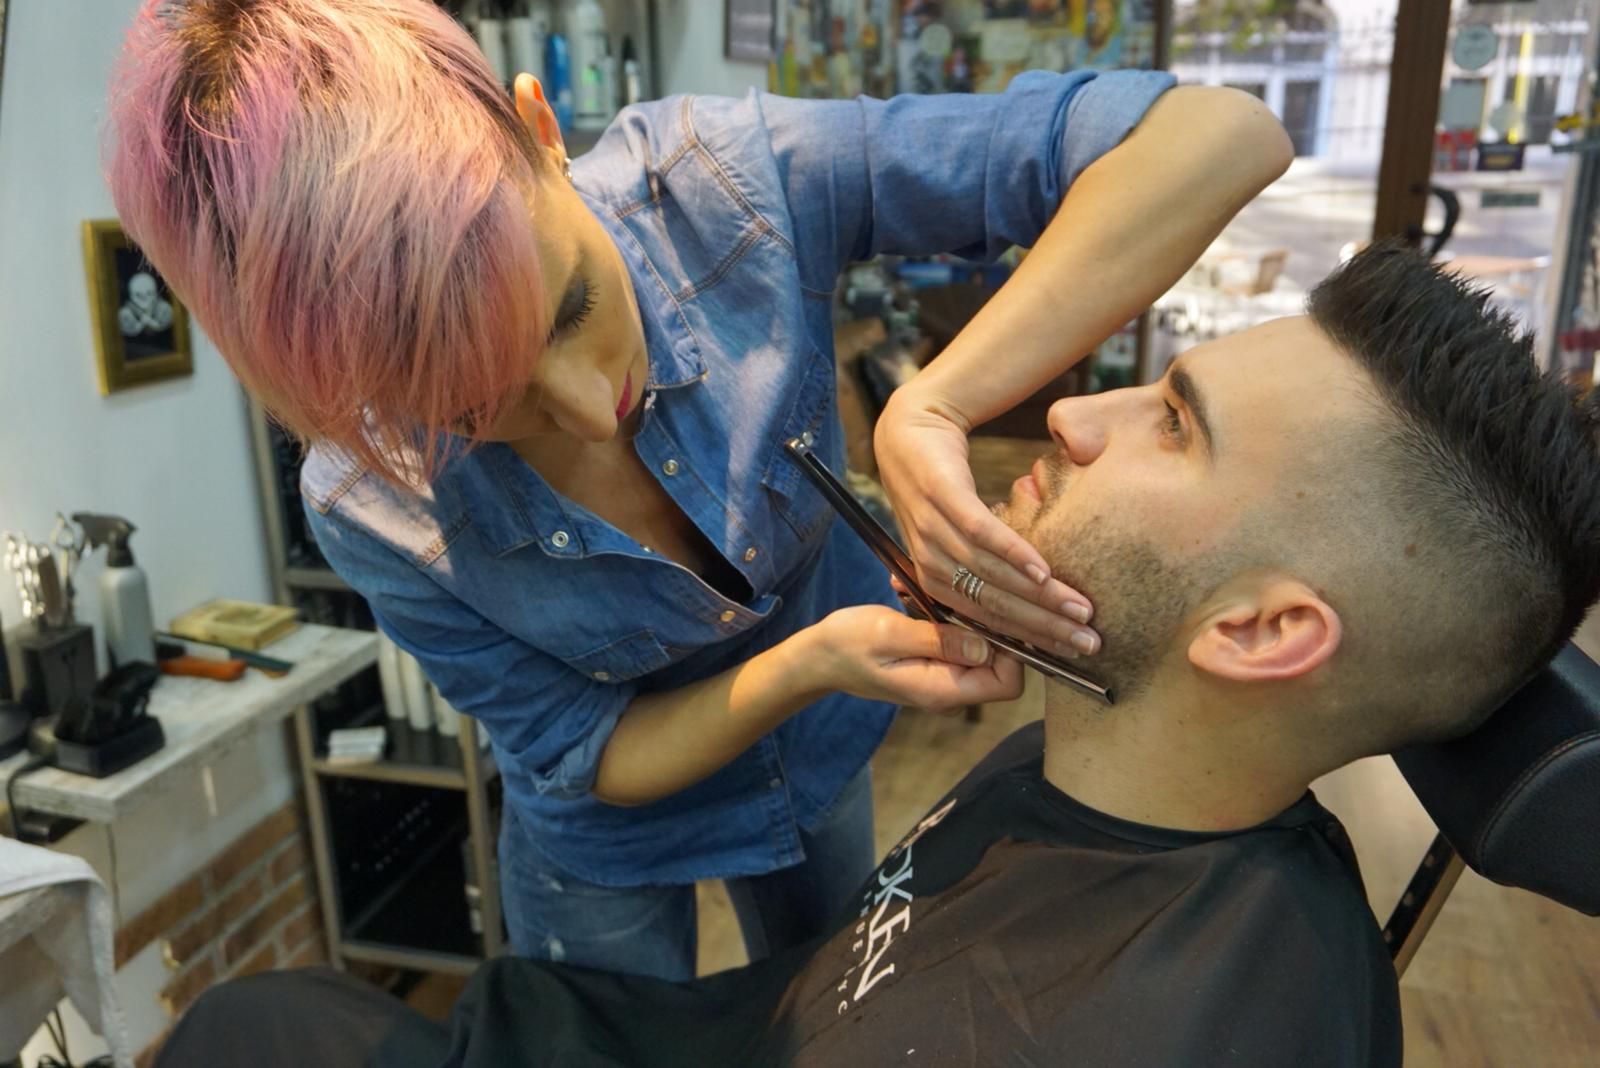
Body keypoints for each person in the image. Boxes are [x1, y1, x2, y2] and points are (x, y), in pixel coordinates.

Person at [152, 244, 1600, 1067]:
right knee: (257, 1025)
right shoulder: (1098, 775)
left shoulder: (1162, 1024)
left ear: (1264, 629)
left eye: (1171, 420)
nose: (1077, 418)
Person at [104, 0, 1291, 981]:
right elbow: (579, 751)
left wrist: (934, 403)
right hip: (601, 850)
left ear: (537, 129)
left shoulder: (730, 185)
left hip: (814, 771)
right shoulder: (368, 498)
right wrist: (810, 658)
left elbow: (1218, 137)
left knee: (831, 1007)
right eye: (473, 408)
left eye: (569, 303)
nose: (585, 406)